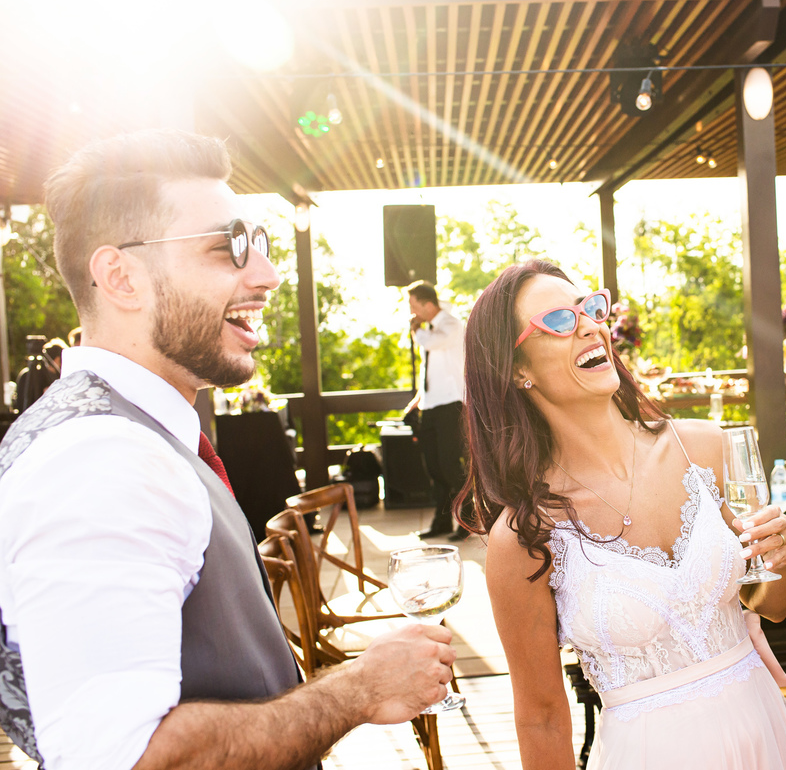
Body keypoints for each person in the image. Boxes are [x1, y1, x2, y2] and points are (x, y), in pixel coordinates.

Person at [0, 130, 455, 770]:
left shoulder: (133, 436)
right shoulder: (100, 458)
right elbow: (124, 760)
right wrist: (360, 689)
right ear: (121, 277)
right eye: (229, 247)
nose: (266, 276)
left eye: (261, 245)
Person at [453, 260, 786, 769]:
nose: (590, 325)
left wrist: (783, 561)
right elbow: (542, 717)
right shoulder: (526, 534)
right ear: (517, 370)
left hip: (764, 739)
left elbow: (774, 604)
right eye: (559, 321)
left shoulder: (705, 447)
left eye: (591, 309)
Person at [400, 280, 468, 540]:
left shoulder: (451, 325)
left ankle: (468, 519)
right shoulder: (429, 329)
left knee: (450, 465)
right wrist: (418, 400)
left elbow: (432, 345)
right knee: (433, 468)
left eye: (413, 305)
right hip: (430, 405)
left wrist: (416, 330)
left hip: (451, 405)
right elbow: (434, 372)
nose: (411, 311)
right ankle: (441, 522)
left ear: (428, 305)